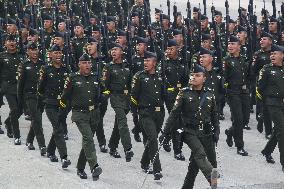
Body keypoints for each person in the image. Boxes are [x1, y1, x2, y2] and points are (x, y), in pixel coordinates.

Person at [162, 64, 219, 188]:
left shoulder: (210, 94)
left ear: (204, 78)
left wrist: (217, 131)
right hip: (190, 132)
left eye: (197, 75)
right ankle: (212, 176)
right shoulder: (184, 93)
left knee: (199, 166)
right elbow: (174, 114)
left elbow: (214, 115)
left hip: (206, 133)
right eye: (192, 75)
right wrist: (165, 133)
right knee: (200, 154)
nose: (193, 77)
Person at [60, 53, 103, 180]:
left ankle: (80, 168)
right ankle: (94, 166)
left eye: (89, 63)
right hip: (79, 114)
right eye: (84, 63)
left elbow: (105, 89)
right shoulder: (72, 78)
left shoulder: (96, 77)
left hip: (94, 113)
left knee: (87, 142)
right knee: (88, 138)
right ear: (79, 65)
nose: (87, 65)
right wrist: (61, 113)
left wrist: (104, 96)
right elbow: (65, 96)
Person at [131, 51, 164, 180]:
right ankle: (157, 169)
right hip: (145, 113)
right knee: (154, 138)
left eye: (148, 61)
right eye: (144, 61)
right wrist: (135, 117)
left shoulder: (161, 77)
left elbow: (164, 96)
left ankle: (144, 162)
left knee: (151, 139)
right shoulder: (139, 77)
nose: (145, 63)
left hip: (159, 113)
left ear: (154, 63)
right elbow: (133, 98)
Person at [37, 44, 71, 168]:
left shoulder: (66, 69)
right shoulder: (45, 69)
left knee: (58, 128)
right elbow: (40, 88)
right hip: (50, 104)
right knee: (58, 128)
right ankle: (64, 157)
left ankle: (51, 151)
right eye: (55, 53)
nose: (58, 55)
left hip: (62, 105)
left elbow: (69, 88)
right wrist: (41, 102)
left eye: (59, 53)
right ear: (50, 55)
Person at [101, 42, 134, 162]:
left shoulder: (127, 65)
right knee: (122, 121)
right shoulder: (108, 67)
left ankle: (112, 146)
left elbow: (131, 82)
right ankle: (128, 148)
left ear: (122, 51)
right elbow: (104, 84)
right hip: (115, 97)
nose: (113, 52)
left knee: (118, 125)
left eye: (116, 49)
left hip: (127, 98)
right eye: (111, 50)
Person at [257, 44, 284, 173]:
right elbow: (259, 88)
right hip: (272, 103)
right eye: (271, 54)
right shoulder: (266, 69)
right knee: (282, 131)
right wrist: (265, 103)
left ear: (282, 55)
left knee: (278, 130)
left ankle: (267, 151)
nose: (272, 56)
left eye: (275, 53)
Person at [17, 42, 46, 155]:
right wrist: (21, 102)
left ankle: (29, 141)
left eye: (36, 50)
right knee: (37, 119)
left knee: (35, 119)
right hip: (29, 96)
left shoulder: (42, 64)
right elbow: (20, 85)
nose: (34, 52)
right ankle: (42, 145)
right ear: (28, 51)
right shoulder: (24, 65)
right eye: (32, 50)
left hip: (41, 96)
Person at [223, 35, 250, 156]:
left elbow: (248, 75)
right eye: (229, 44)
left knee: (244, 119)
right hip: (233, 93)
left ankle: (230, 132)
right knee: (238, 119)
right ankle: (240, 146)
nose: (230, 46)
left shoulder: (243, 59)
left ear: (239, 46)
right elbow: (224, 78)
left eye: (233, 44)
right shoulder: (227, 61)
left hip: (244, 92)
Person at [0, 35, 24, 143]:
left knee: (20, 110)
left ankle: (8, 122)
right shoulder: (2, 56)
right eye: (9, 41)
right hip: (7, 87)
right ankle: (16, 135)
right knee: (14, 109)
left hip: (20, 87)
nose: (11, 43)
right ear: (5, 44)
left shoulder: (22, 56)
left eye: (13, 40)